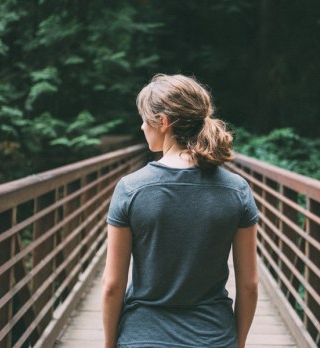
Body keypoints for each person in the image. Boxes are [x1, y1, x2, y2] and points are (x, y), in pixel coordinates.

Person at [102, 74, 259, 348]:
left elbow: (113, 285)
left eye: (144, 119)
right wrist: (238, 343)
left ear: (162, 122)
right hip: (213, 337)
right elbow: (249, 286)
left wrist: (108, 344)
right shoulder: (237, 190)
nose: (141, 127)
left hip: (143, 338)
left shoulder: (130, 189)